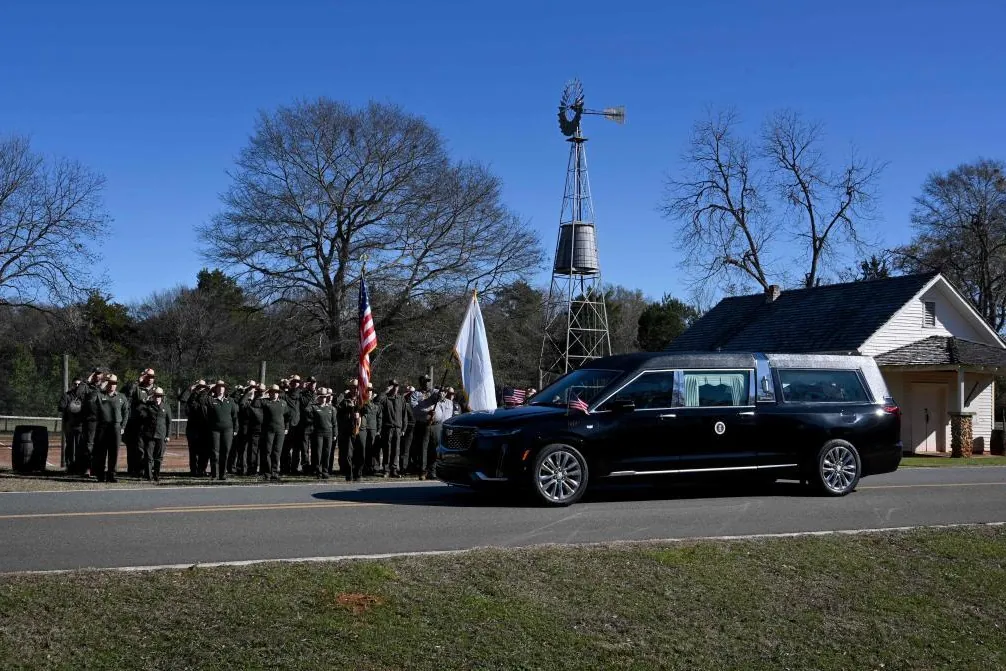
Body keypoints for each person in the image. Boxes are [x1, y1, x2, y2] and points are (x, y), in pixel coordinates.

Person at [93, 374, 129, 482]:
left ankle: (111, 475)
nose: (112, 385)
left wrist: (123, 426)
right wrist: (100, 387)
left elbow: (126, 412)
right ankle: (100, 475)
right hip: (102, 427)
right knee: (101, 452)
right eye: (110, 383)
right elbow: (90, 400)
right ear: (107, 383)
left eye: (114, 383)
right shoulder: (99, 395)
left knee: (114, 453)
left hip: (116, 427)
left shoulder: (121, 397)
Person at [122, 368, 156, 476]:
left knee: (149, 449)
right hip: (135, 424)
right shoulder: (135, 387)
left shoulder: (157, 389)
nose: (150, 379)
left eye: (151, 376)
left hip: (150, 425)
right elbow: (125, 394)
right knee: (135, 449)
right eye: (147, 376)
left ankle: (147, 470)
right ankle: (134, 470)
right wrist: (138, 381)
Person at [203, 380, 238, 480]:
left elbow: (235, 416)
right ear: (215, 389)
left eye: (222, 387)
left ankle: (223, 474)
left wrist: (235, 429)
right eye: (218, 387)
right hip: (215, 430)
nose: (221, 388)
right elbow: (202, 400)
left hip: (228, 430)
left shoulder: (230, 401)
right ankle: (215, 474)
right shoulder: (211, 400)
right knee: (215, 452)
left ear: (225, 389)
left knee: (225, 452)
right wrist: (209, 389)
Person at [419, 386, 455, 480]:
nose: (442, 393)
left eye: (443, 392)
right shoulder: (431, 401)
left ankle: (433, 471)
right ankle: (423, 471)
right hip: (428, 425)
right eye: (440, 392)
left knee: (436, 450)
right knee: (425, 449)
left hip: (440, 427)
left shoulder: (449, 403)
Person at [256, 384, 290, 481]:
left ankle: (275, 472)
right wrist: (261, 395)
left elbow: (287, 416)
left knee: (277, 452)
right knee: (267, 452)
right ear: (270, 393)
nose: (275, 394)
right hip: (268, 431)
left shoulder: (283, 403)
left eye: (277, 393)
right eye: (273, 392)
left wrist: (286, 427)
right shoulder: (265, 402)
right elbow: (255, 404)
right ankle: (267, 472)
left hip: (280, 431)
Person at [138, 387, 172, 481]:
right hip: (150, 435)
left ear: (162, 397)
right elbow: (139, 410)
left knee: (158, 457)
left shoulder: (166, 407)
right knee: (148, 456)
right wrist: (147, 399)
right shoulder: (148, 406)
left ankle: (156, 475)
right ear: (153, 396)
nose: (157, 398)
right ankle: (149, 476)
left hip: (161, 435)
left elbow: (169, 422)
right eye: (156, 396)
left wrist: (168, 435)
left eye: (159, 396)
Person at [378, 379, 408, 478]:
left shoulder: (401, 399)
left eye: (397, 386)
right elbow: (377, 401)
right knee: (387, 449)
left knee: (396, 450)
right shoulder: (385, 398)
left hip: (398, 428)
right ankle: (386, 470)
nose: (395, 388)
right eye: (393, 386)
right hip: (388, 428)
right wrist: (385, 391)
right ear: (390, 387)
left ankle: (394, 469)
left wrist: (404, 429)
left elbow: (404, 415)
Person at [180, 380, 210, 476]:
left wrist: (208, 389)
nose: (201, 388)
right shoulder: (191, 397)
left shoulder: (208, 396)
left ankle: (202, 469)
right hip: (193, 428)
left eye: (203, 386)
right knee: (193, 451)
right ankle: (193, 470)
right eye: (199, 386)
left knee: (205, 451)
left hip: (205, 428)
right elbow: (182, 398)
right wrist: (191, 388)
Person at [407, 375, 433, 475]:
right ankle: (422, 469)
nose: (427, 383)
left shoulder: (432, 392)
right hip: (422, 423)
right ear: (421, 382)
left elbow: (439, 398)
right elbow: (415, 408)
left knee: (433, 447)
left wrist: (440, 393)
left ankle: (433, 469)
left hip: (434, 424)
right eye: (425, 381)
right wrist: (427, 413)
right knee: (422, 447)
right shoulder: (415, 394)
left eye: (428, 381)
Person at [309, 387, 337, 479]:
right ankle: (318, 471)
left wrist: (335, 434)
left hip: (328, 433)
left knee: (327, 453)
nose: (323, 398)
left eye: (324, 397)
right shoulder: (314, 407)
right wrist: (314, 400)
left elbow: (334, 423)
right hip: (318, 433)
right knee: (318, 453)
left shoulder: (331, 408)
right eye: (321, 397)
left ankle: (325, 471)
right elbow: (306, 411)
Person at [239, 383, 265, 476]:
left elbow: (242, 404)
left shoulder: (256, 402)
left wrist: (248, 393)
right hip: (261, 429)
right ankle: (260, 470)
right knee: (260, 451)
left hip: (255, 429)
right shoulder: (266, 401)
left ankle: (252, 469)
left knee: (253, 450)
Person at [337, 381, 360, 481]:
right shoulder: (344, 400)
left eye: (356, 388)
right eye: (353, 388)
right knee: (348, 454)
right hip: (348, 430)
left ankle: (357, 473)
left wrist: (359, 414)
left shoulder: (362, 400)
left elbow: (367, 411)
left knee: (359, 453)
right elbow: (339, 410)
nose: (354, 390)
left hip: (359, 430)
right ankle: (349, 474)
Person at [58, 379, 83, 471]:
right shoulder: (67, 395)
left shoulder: (83, 396)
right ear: (72, 385)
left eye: (79, 384)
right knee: (70, 445)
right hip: (69, 424)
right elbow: (60, 407)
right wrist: (70, 407)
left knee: (80, 445)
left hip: (81, 425)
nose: (77, 386)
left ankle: (79, 465)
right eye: (75, 384)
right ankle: (69, 466)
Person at [281, 375, 302, 475]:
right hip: (287, 425)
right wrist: (284, 385)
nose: (295, 383)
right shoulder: (285, 394)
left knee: (296, 449)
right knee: (286, 448)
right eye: (293, 381)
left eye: (297, 381)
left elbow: (294, 394)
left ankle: (294, 468)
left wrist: (287, 385)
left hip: (297, 425)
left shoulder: (298, 392)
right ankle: (285, 467)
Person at [399, 384, 417, 476]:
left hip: (415, 428)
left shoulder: (415, 404)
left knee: (412, 450)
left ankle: (410, 467)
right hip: (407, 428)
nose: (409, 395)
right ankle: (403, 468)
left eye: (411, 393)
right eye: (408, 393)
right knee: (405, 449)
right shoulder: (404, 404)